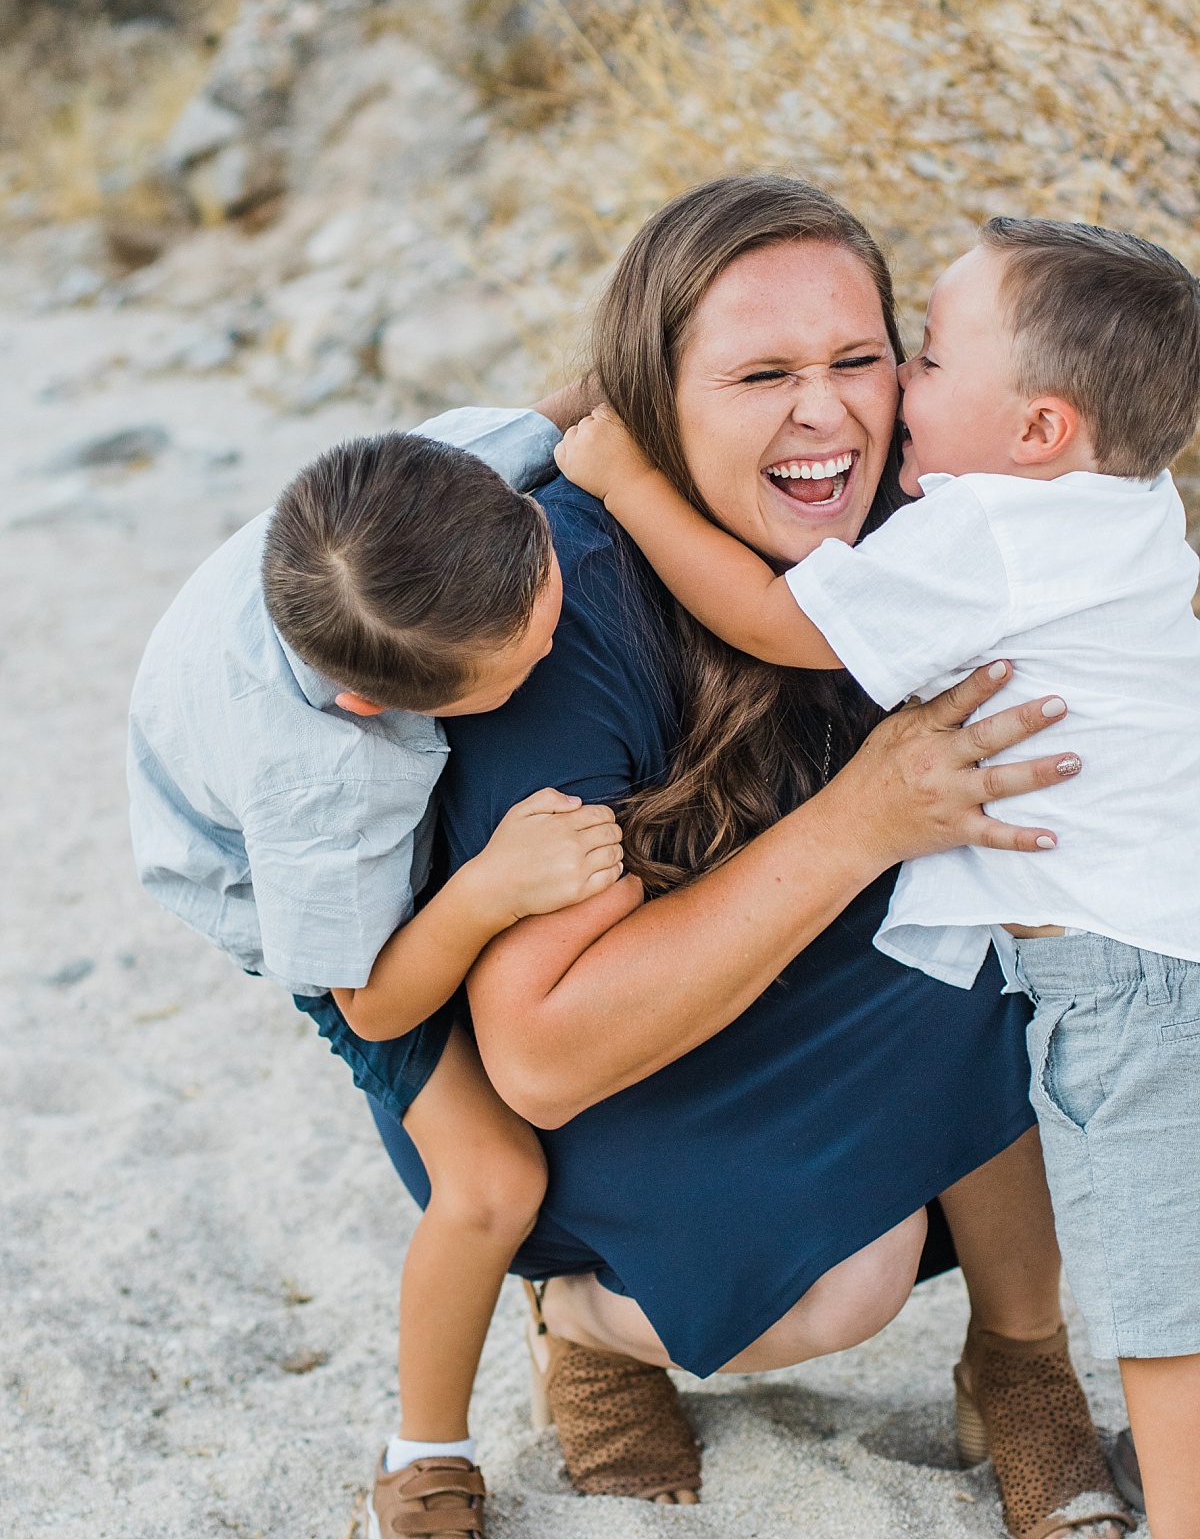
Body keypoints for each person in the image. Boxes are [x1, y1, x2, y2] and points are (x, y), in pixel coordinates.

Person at [368, 177, 1130, 1539]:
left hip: (823, 995)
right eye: (761, 374)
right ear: (656, 401)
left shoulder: (940, 526)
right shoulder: (564, 598)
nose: (825, 413)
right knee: (832, 1292)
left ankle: (1023, 1360)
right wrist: (858, 822)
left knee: (1023, 865)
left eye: (858, 361)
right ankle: (592, 1323)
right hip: (596, 1084)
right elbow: (538, 1051)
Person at [556, 214, 1200, 1539]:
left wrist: (625, 479)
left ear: (1037, 430)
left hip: (1122, 961)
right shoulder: (1121, 496)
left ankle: (1124, 1454)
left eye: (915, 357)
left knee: (1162, 1266)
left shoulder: (988, 533)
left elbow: (779, 624)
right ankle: (1020, 1367)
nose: (894, 390)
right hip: (1114, 927)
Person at [128, 401, 623, 1539]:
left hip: (269, 677)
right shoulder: (323, 782)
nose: (556, 639)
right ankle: (421, 1457)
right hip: (278, 887)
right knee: (493, 1182)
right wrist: (489, 889)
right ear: (380, 705)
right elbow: (373, 993)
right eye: (527, 658)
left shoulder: (437, 495)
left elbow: (566, 401)